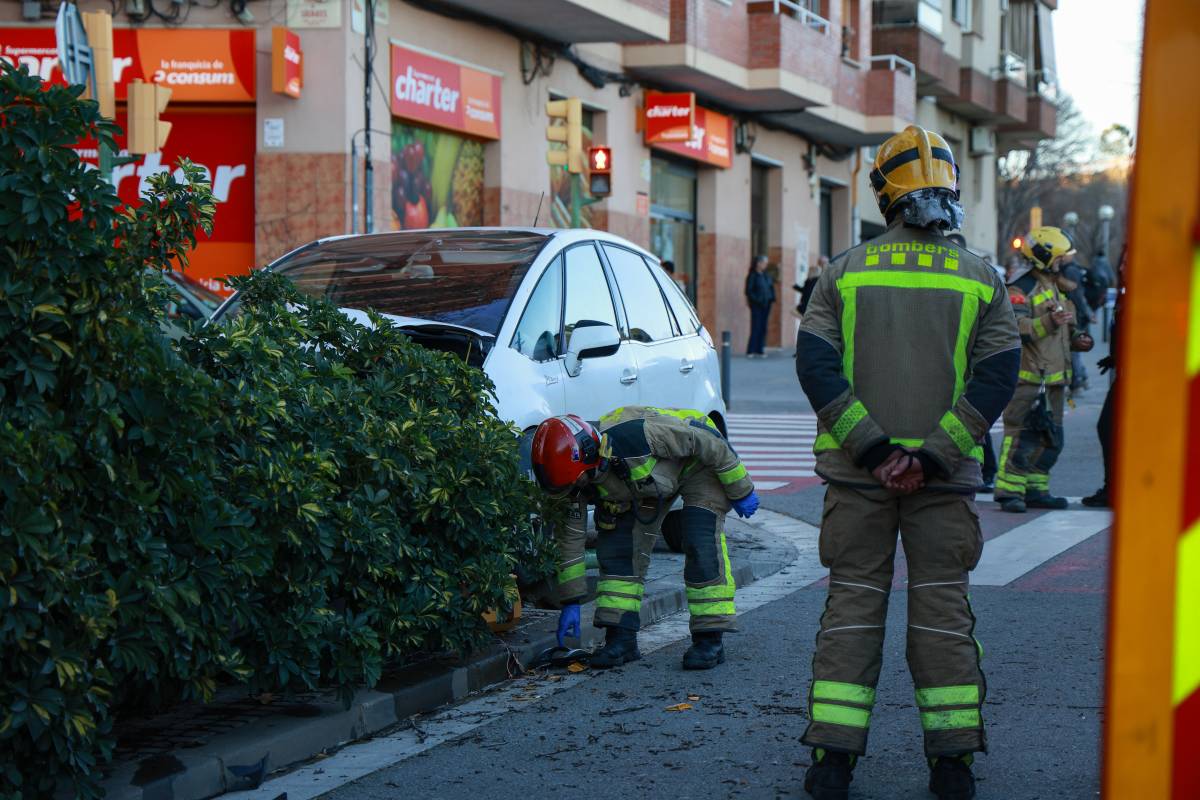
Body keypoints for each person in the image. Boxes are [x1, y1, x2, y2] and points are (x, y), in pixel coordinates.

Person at [795, 125, 1020, 800]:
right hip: (942, 485)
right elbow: (997, 377)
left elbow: (817, 367)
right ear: (950, 188)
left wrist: (874, 450)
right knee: (942, 613)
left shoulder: (843, 272)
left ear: (883, 192)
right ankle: (953, 764)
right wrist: (934, 455)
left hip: (856, 478)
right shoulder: (983, 278)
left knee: (852, 609)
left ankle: (833, 761)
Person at [531, 407, 759, 671]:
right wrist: (570, 601)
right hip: (645, 485)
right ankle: (621, 638)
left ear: (592, 458)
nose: (575, 491)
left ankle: (709, 639)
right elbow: (570, 540)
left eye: (578, 483)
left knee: (700, 542)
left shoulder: (639, 437)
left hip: (698, 466)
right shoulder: (570, 479)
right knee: (619, 551)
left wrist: (741, 489)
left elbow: (708, 441)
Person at [993, 226, 1083, 513]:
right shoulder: (1021, 288)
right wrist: (1050, 322)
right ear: (1045, 257)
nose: (1066, 262)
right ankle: (1009, 491)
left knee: (1051, 439)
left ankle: (1035, 490)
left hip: (1054, 380)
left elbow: (1065, 328)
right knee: (1021, 437)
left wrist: (1078, 337)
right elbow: (1016, 328)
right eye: (1061, 257)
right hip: (1029, 379)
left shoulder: (1055, 286)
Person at [1058, 242, 1094, 392]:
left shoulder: (1070, 271)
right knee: (1074, 349)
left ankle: (1078, 380)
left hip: (1075, 315)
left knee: (1074, 348)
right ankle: (1081, 377)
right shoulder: (1070, 269)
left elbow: (1077, 295)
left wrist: (1086, 313)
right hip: (1076, 314)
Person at [745, 255, 775, 357]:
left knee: (763, 327)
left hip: (766, 305)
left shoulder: (766, 275)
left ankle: (760, 349)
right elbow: (748, 291)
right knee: (756, 326)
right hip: (757, 305)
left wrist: (771, 298)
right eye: (764, 263)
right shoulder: (752, 275)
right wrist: (757, 300)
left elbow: (770, 287)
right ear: (758, 263)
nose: (765, 265)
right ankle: (751, 350)